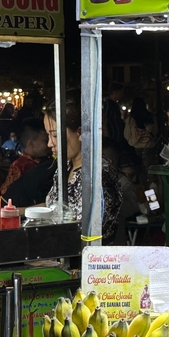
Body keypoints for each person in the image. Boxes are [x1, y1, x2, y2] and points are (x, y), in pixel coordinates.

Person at [44, 98, 122, 245]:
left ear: (80, 133)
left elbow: (90, 231)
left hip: (89, 261)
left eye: (54, 135)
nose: (49, 143)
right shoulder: (65, 168)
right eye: (48, 135)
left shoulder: (99, 175)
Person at [1, 118, 51, 196]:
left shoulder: (47, 162)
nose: (49, 144)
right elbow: (7, 193)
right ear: (31, 143)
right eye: (45, 141)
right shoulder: (19, 165)